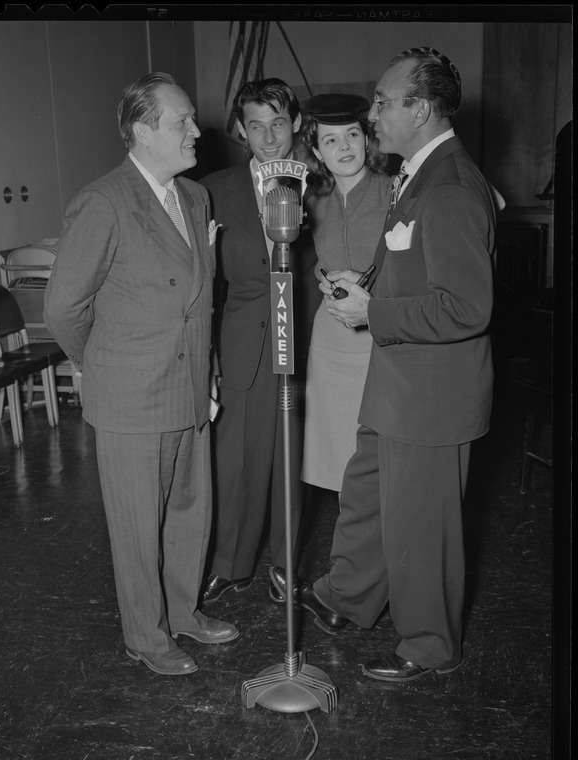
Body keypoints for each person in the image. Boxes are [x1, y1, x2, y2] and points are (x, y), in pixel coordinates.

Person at [299, 47, 496, 682]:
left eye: (383, 103)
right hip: (397, 383)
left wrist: (371, 313)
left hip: (431, 397)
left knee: (422, 525)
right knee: (365, 496)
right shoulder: (418, 173)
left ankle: (430, 646)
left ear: (421, 109)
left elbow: (466, 307)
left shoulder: (452, 185)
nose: (373, 113)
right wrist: (368, 287)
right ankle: (347, 597)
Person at [44, 73, 238, 677]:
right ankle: (145, 636)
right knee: (137, 526)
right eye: (179, 120)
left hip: (188, 386)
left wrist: (207, 373)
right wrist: (100, 364)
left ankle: (183, 613)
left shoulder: (196, 197)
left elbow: (202, 297)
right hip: (130, 393)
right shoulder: (104, 201)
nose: (194, 129)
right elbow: (62, 308)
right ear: (141, 130)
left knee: (188, 513)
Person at [199, 78, 318, 606]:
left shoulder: (322, 180)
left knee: (292, 460)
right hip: (245, 340)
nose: (268, 138)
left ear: (294, 122)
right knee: (238, 460)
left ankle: (284, 566)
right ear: (242, 131)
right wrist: (210, 356)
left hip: (309, 340)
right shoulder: (213, 190)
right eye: (255, 126)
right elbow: (206, 283)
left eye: (277, 123)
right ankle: (231, 562)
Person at [296, 94, 392, 494]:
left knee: (382, 458)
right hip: (332, 338)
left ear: (367, 139)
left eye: (352, 134)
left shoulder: (396, 189)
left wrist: (372, 279)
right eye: (330, 140)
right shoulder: (310, 198)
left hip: (383, 335)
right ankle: (352, 547)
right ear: (317, 150)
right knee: (337, 458)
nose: (344, 147)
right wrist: (325, 275)